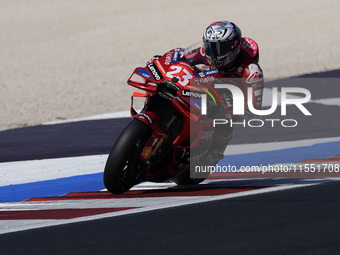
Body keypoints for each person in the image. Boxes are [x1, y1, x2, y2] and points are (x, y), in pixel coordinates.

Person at [181, 20, 264, 164]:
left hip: (226, 101)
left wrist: (230, 108)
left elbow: (254, 110)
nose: (213, 53)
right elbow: (182, 57)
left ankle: (213, 153)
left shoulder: (251, 72)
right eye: (210, 46)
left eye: (220, 48)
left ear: (234, 47)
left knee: (224, 121)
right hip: (201, 86)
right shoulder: (206, 53)